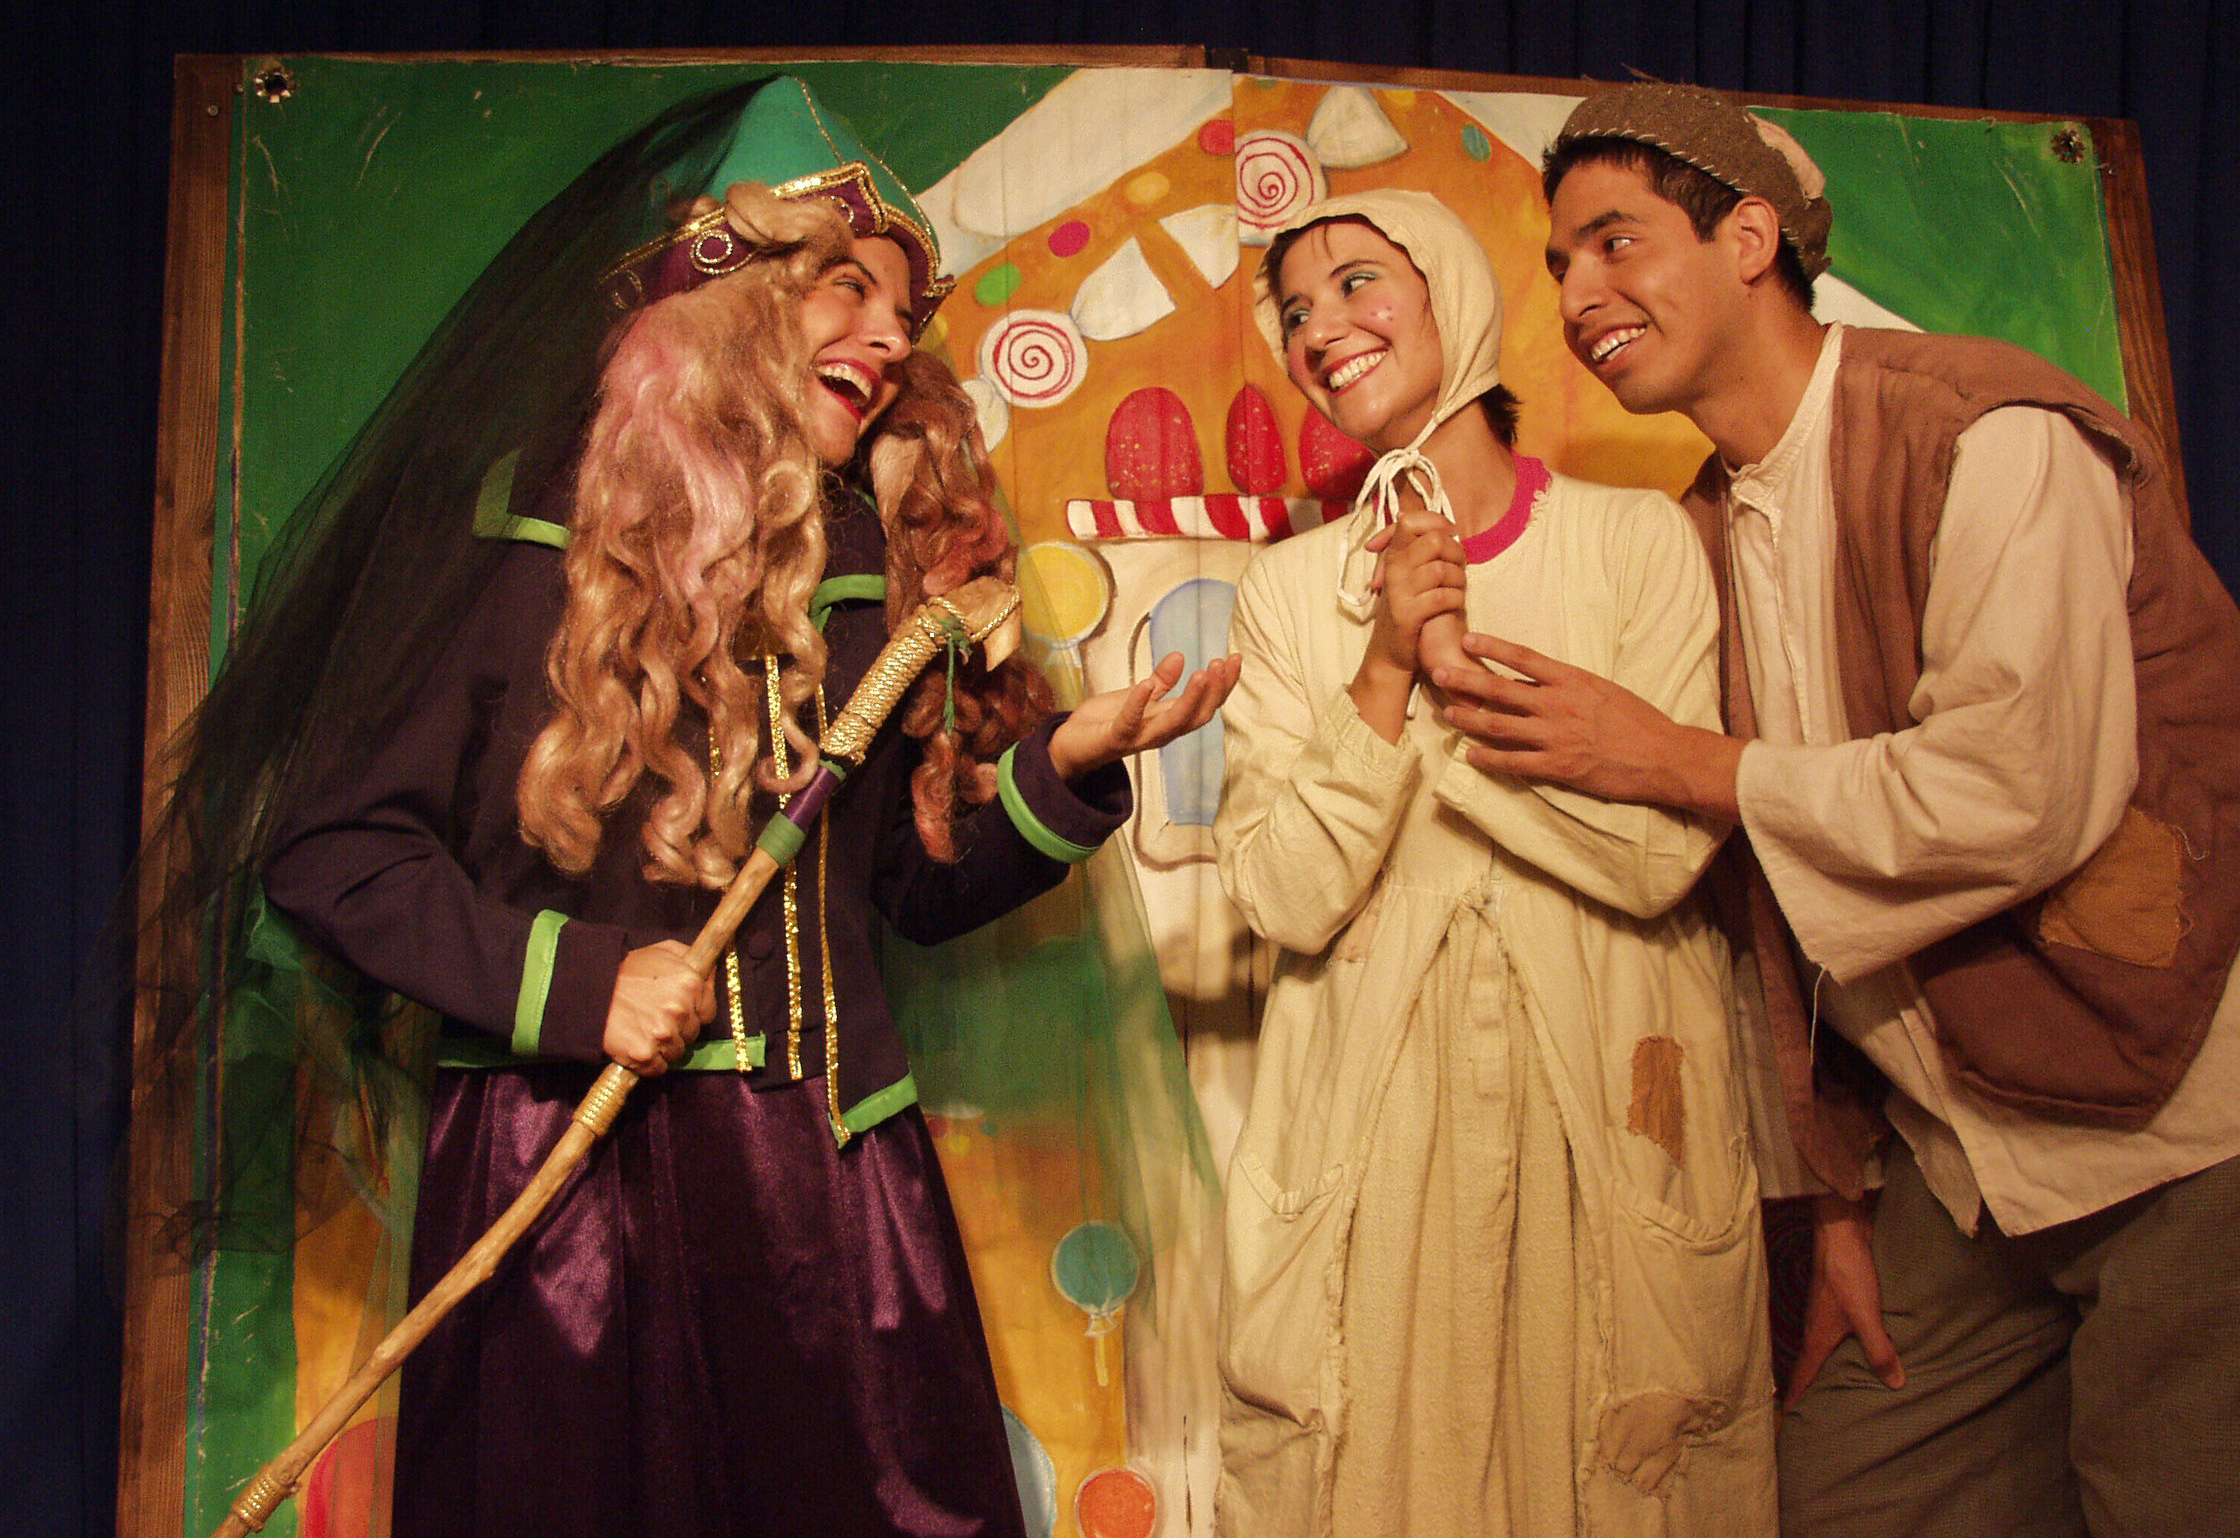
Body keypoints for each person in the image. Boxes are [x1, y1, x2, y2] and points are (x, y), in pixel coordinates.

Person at [171, 76, 1235, 1538]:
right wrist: (583, 985)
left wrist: (1071, 764)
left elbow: (910, 892)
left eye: (905, 314)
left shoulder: (861, 566)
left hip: (834, 1198)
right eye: (847, 288)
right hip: (570, 1193)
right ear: (724, 299)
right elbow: (331, 853)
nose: (890, 338)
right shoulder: (520, 540)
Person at [1435, 78, 2240, 1537]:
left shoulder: (1986, 432)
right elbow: (1769, 913)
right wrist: (1842, 1199)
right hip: (1966, 1159)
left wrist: (1684, 761)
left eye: (1616, 242)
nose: (1581, 292)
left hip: (2182, 1123)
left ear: (1748, 239)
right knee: (1851, 1501)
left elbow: (2019, 791)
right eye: (1560, 264)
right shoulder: (1702, 527)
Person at [1212, 188, 1777, 1538]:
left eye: (1359, 281)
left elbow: (1661, 855)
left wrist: (1450, 717)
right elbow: (1283, 895)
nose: (1322, 329)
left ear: (1452, 290)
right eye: (1296, 311)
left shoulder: (1631, 543)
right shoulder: (1292, 593)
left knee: (1622, 1485)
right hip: (1375, 1139)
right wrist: (1384, 670)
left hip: (1611, 1107)